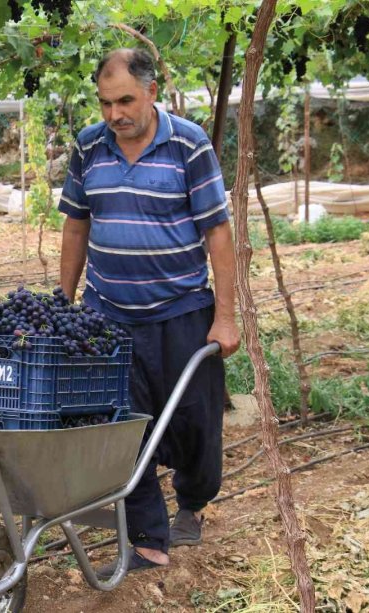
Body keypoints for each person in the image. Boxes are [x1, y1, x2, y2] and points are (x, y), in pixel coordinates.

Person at [57, 48, 240, 573]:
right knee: (120, 425)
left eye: (125, 101)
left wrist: (224, 316)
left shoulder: (188, 144)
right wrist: (64, 305)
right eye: (106, 103)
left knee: (194, 425)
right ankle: (148, 537)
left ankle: (194, 502)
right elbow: (76, 225)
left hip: (181, 310)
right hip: (108, 314)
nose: (115, 114)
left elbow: (218, 233)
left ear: (152, 91)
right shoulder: (89, 147)